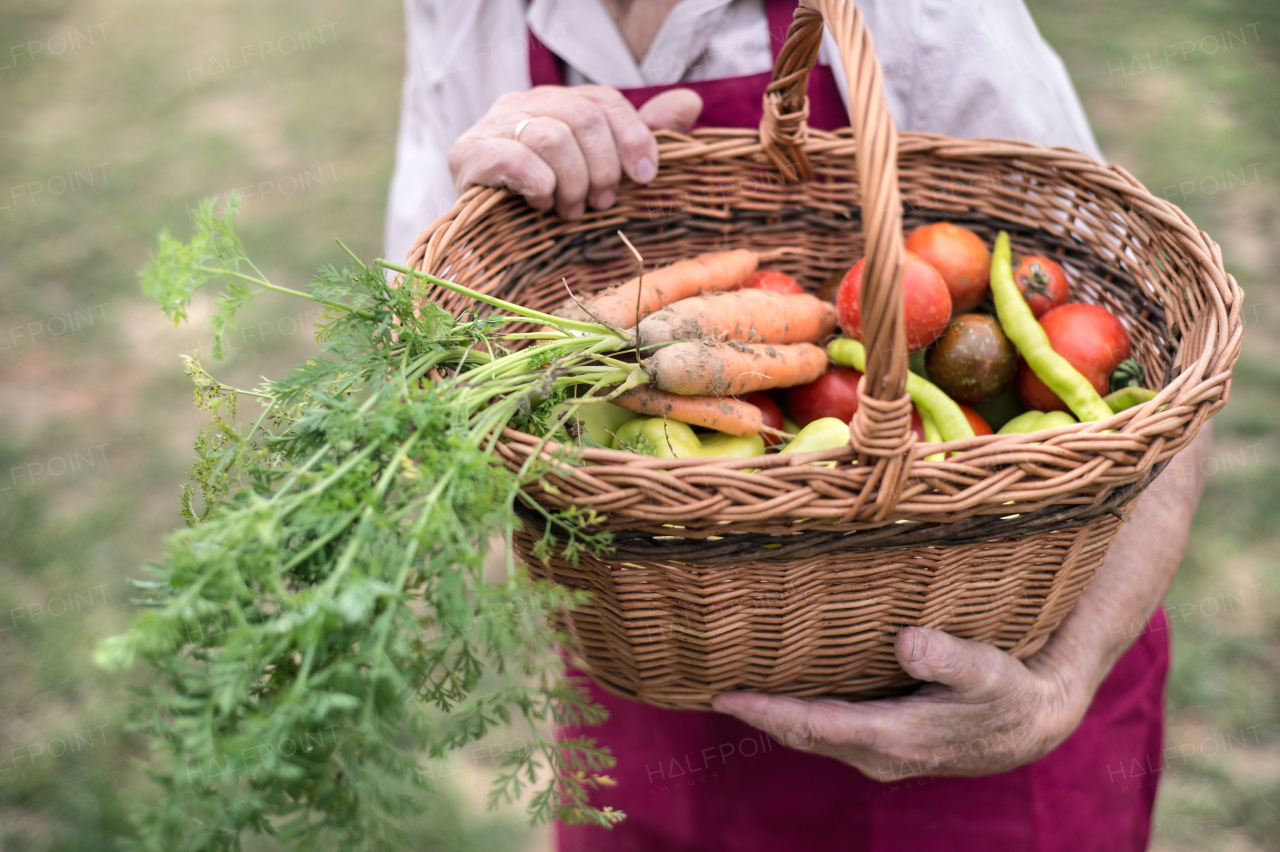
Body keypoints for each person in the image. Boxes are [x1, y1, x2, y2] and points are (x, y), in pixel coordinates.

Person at [385, 2, 1212, 849]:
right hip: (657, 672)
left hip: (976, 706)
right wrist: (493, 193)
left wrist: (1058, 686)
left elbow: (1159, 379)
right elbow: (430, 329)